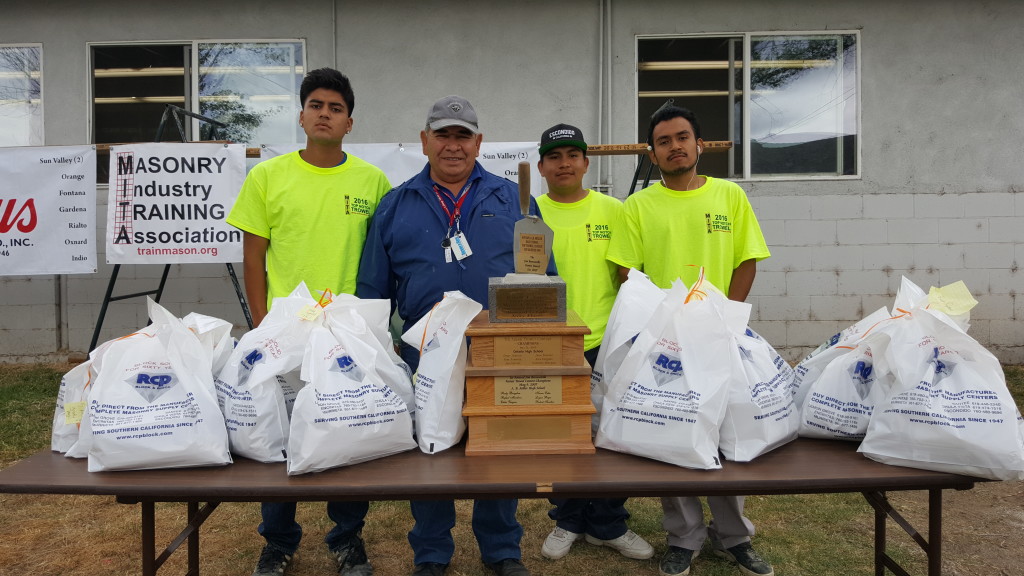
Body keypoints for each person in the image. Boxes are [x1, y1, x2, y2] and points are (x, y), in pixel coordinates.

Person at [357, 95, 550, 576]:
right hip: (425, 354)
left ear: (478, 142)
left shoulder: (515, 199)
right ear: (424, 141)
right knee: (433, 453)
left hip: (498, 350)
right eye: (442, 134)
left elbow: (542, 274)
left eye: (462, 135)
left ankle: (502, 548)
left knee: (498, 449)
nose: (452, 145)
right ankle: (431, 552)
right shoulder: (395, 204)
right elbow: (373, 291)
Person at [226, 67, 388, 576]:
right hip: (284, 332)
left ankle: (347, 539)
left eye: (335, 108)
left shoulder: (372, 181)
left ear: (349, 122)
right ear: (301, 115)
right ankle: (277, 542)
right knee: (278, 439)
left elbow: (381, 257)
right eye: (316, 104)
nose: (324, 113)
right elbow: (253, 257)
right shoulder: (267, 177)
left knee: (347, 432)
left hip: (346, 333)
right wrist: (260, 323)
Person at [606, 106, 773, 576]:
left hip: (722, 337)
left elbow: (747, 260)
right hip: (666, 343)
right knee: (672, 434)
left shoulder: (730, 196)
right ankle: (683, 537)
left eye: (683, 137)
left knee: (726, 436)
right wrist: (665, 326)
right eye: (663, 141)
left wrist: (730, 323)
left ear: (700, 145)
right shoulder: (638, 206)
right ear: (653, 152)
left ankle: (734, 536)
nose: (674, 145)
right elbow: (626, 271)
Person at [532, 123, 654, 562]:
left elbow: (628, 278)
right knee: (560, 437)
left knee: (608, 436)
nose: (564, 163)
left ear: (586, 162)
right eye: (555, 156)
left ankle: (608, 523)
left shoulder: (612, 210)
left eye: (573, 155)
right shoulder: (530, 213)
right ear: (542, 166)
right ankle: (567, 519)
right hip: (551, 343)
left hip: (605, 341)